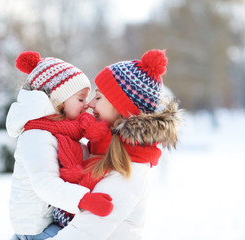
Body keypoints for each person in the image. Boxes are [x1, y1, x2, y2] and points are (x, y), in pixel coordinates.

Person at [46, 49, 183, 240]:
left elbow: (84, 232)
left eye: (99, 97)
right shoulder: (101, 149)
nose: (90, 104)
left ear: (122, 108)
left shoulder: (130, 169)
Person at [6, 51, 113, 240]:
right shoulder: (36, 136)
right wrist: (85, 199)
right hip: (36, 228)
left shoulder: (65, 133)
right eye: (80, 99)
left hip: (53, 221)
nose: (86, 105)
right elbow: (45, 183)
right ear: (57, 100)